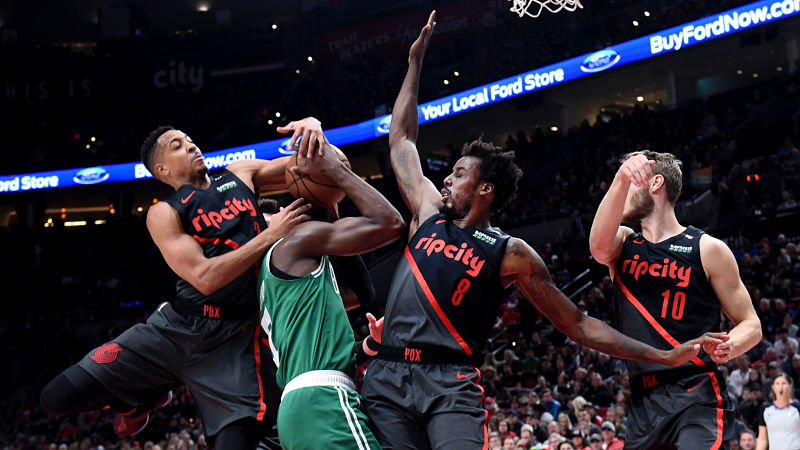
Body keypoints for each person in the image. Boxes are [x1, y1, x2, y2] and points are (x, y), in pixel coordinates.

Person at [361, 11, 724, 450]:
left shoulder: (510, 252)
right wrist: (414, 64)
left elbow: (580, 325)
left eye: (457, 174)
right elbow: (401, 141)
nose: (445, 181)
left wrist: (663, 355)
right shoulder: (427, 212)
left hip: (451, 380)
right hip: (388, 375)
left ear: (484, 188)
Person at [39, 118, 324, 449]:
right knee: (55, 398)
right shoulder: (164, 213)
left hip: (234, 340)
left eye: (190, 140)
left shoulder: (239, 174)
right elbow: (205, 278)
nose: (190, 145)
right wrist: (271, 235)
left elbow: (314, 166)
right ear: (161, 169)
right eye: (177, 145)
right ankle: (139, 401)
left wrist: (315, 133)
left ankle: (154, 393)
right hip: (177, 328)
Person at [589, 150, 763, 449]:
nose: (622, 193)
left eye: (631, 183)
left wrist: (731, 344)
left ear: (654, 183)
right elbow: (597, 247)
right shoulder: (623, 244)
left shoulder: (707, 249)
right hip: (643, 402)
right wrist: (620, 178)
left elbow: (751, 324)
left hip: (695, 393)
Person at [257, 138, 405, 449]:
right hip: (323, 401)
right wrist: (336, 172)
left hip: (298, 409)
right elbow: (390, 223)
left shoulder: (281, 284)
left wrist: (367, 345)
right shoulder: (291, 245)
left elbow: (361, 293)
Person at [756, 373, 800, 450]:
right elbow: (762, 439)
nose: (781, 387)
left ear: (790, 386)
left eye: (784, 383)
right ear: (773, 387)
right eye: (777, 384)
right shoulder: (766, 409)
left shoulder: (797, 407)